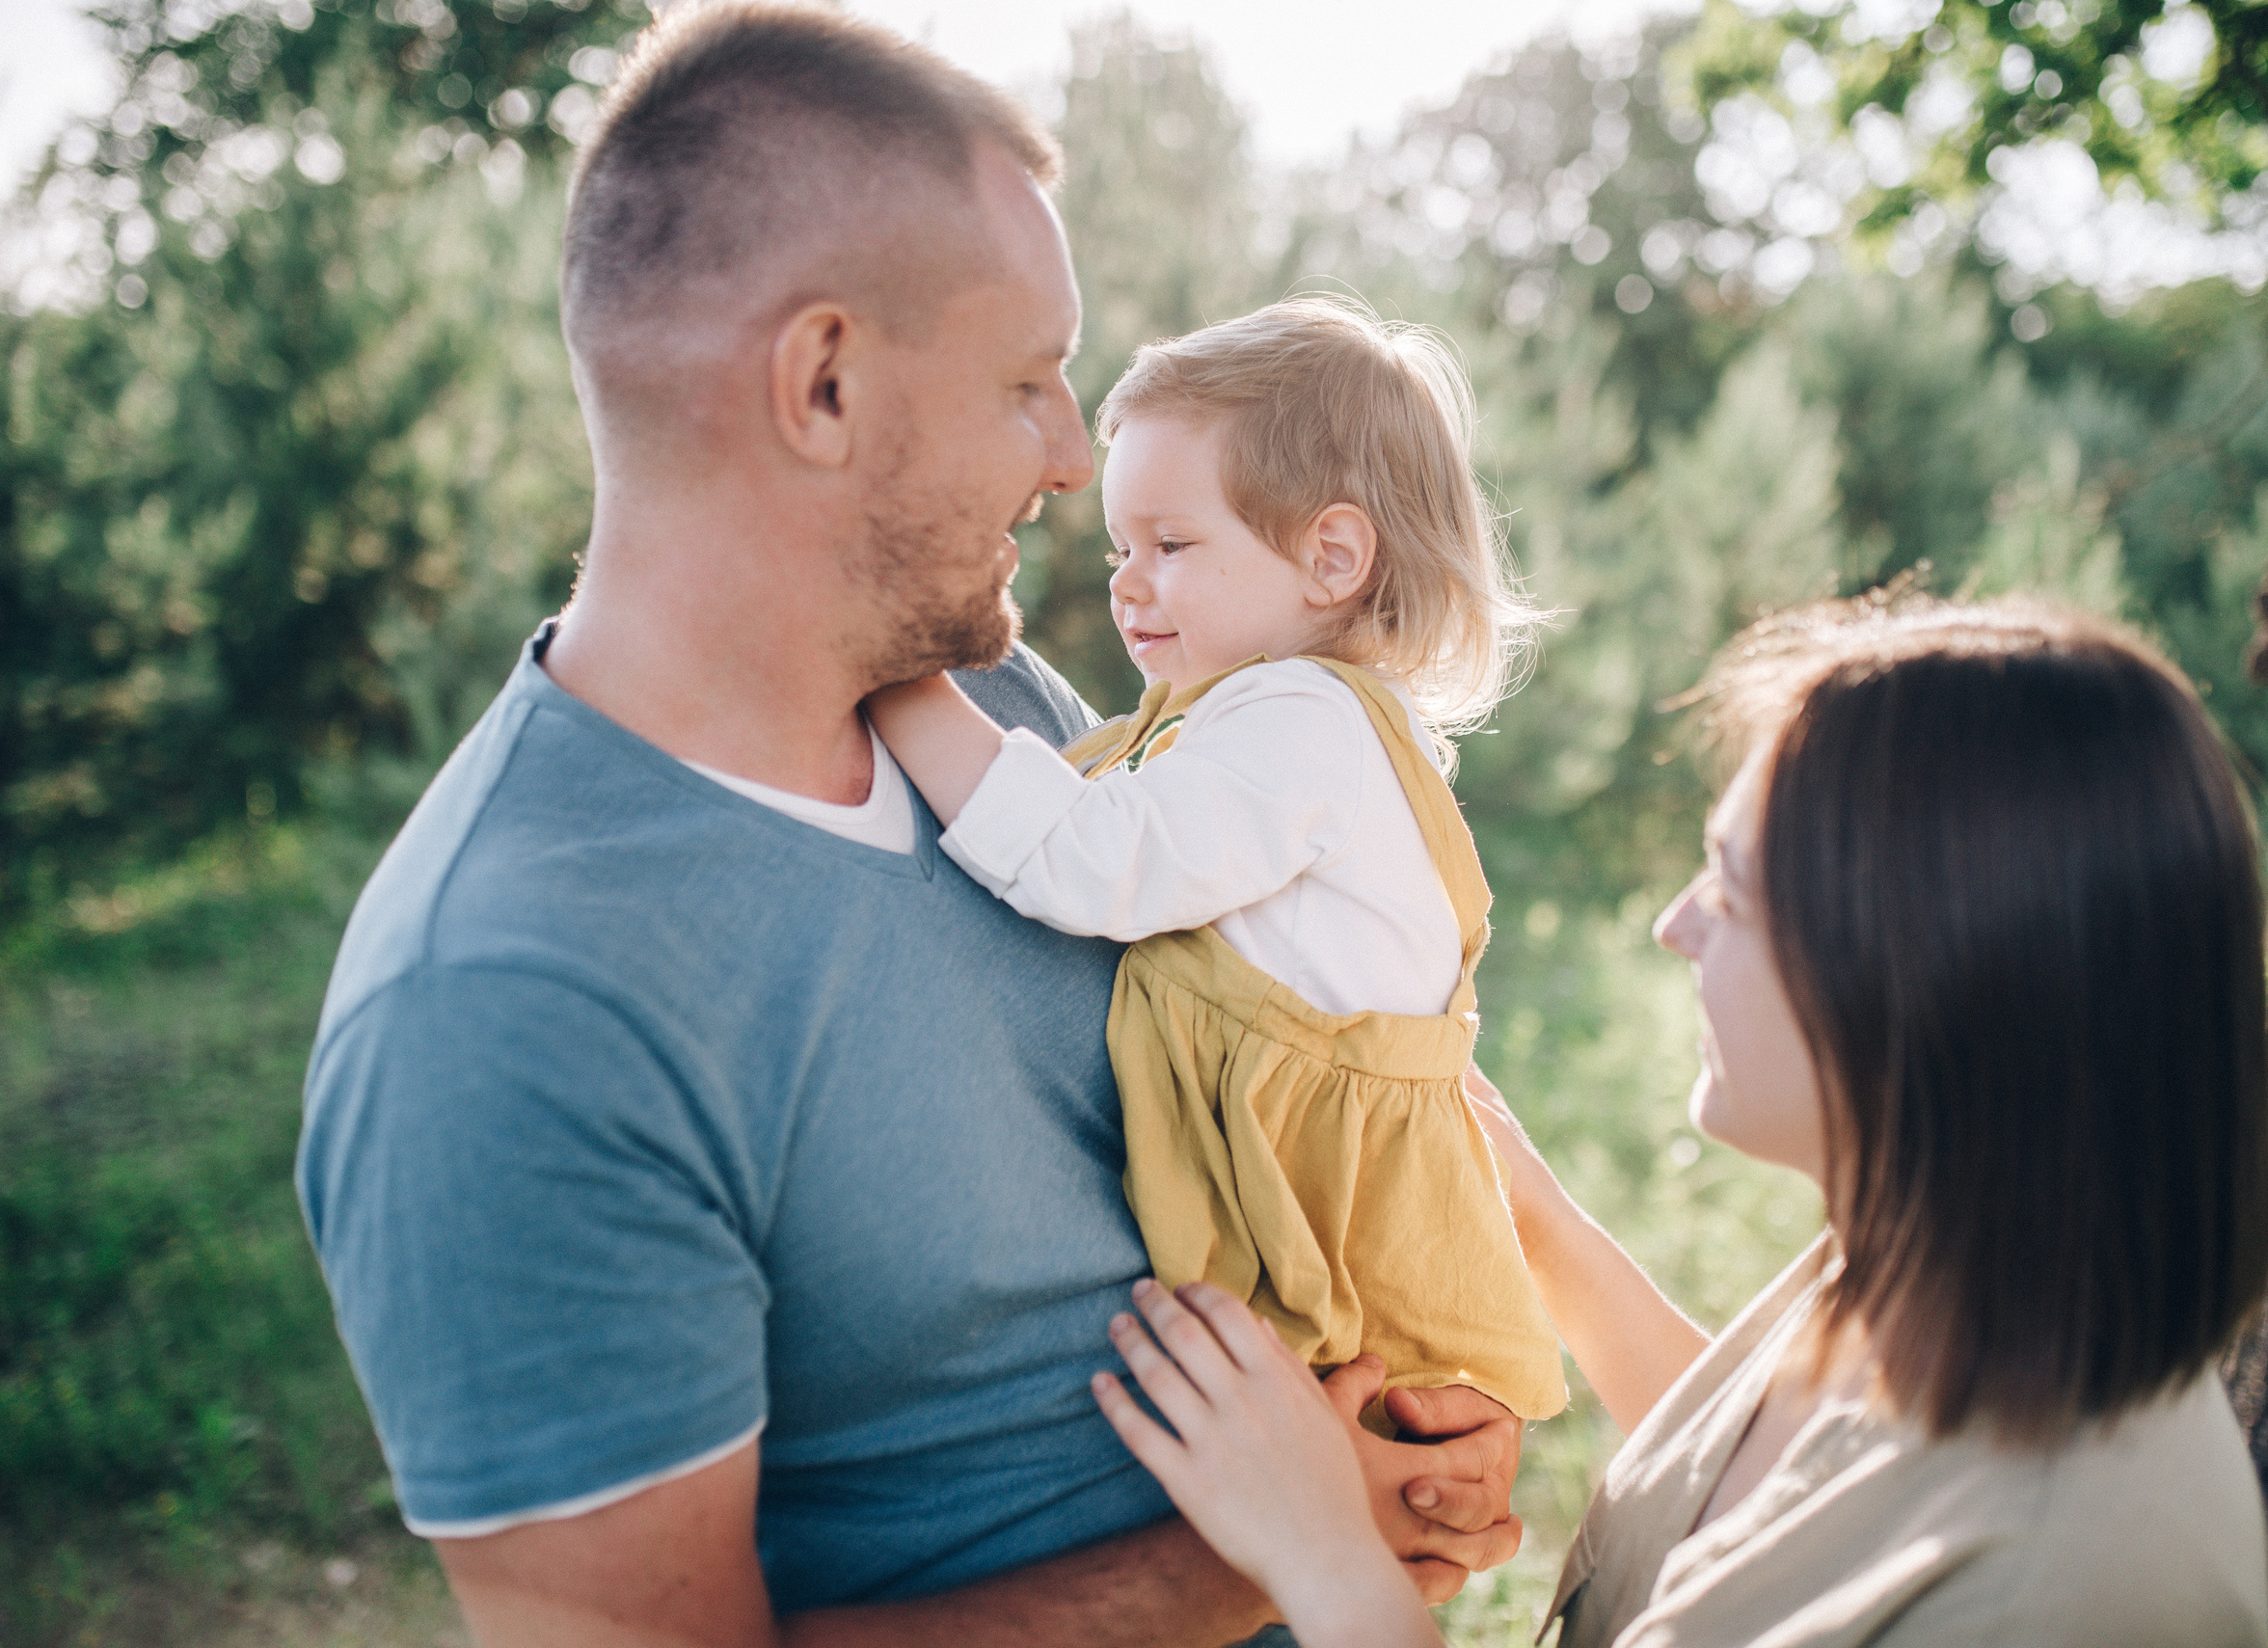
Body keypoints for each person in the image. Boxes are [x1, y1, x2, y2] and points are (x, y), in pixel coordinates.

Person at [292, 4, 1525, 1643]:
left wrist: (1415, 1391)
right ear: (822, 383)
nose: (1074, 461)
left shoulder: (989, 704)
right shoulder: (504, 1002)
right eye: (1030, 381)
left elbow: (1297, 1014)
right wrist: (1243, 1558)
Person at [1090, 597, 2268, 1648]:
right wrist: (1541, 1232)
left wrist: (1321, 1557)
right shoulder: (1949, 1266)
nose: (1675, 923)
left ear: (1927, 978)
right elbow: (1781, 1502)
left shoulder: (2051, 1590)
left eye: (1734, 886)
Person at [867, 297, 1565, 1429]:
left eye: (1171, 544)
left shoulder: (1298, 722)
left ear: (1330, 556)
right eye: (1119, 548)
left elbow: (1086, 859)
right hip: (1316, 1232)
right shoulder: (1274, 716)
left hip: (1332, 1255)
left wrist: (895, 674)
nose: (1125, 582)